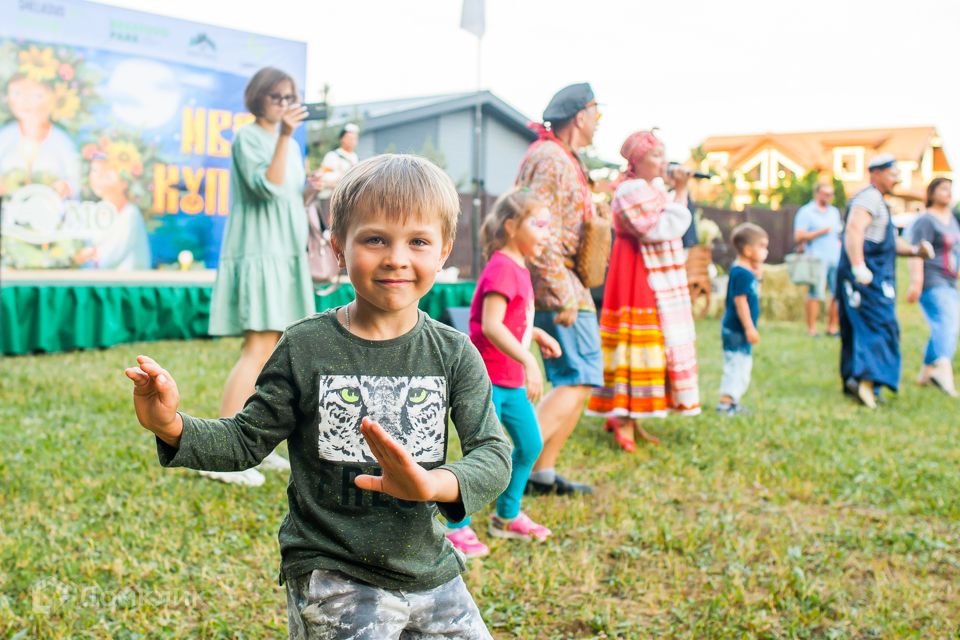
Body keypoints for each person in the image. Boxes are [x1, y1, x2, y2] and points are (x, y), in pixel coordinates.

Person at [124, 154, 511, 640]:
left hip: (430, 568)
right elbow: (246, 440)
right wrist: (170, 425)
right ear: (338, 248)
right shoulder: (306, 346)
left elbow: (493, 453)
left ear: (444, 250)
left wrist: (434, 485)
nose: (396, 257)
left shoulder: (454, 352)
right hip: (333, 569)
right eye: (375, 239)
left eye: (418, 241)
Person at [204, 67, 316, 485]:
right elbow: (265, 189)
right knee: (257, 348)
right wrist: (286, 136)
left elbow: (288, 196)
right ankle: (219, 453)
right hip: (259, 252)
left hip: (284, 251)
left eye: (291, 97)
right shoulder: (249, 137)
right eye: (276, 97)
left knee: (272, 353)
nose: (285, 104)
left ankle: (250, 442)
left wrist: (313, 189)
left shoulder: (290, 146)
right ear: (259, 98)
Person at [445, 190, 562, 558]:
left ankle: (506, 517)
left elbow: (511, 323)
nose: (546, 232)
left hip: (510, 383)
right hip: (488, 381)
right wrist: (529, 361)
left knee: (529, 445)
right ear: (511, 226)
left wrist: (535, 335)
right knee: (479, 454)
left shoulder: (519, 268)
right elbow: (492, 326)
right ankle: (456, 527)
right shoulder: (501, 267)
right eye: (538, 223)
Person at [587, 131, 701, 450]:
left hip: (649, 274)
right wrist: (681, 191)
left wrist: (676, 191)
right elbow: (660, 229)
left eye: (664, 155)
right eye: (655, 156)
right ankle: (622, 416)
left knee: (651, 341)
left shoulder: (652, 189)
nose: (663, 162)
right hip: (635, 272)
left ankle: (630, 416)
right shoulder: (629, 190)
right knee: (634, 341)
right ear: (636, 161)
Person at [515, 82, 603, 496]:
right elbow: (538, 227)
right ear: (580, 116)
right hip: (559, 281)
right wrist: (560, 292)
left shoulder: (562, 157)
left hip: (569, 280)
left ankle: (541, 475)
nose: (600, 119)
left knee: (577, 379)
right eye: (596, 110)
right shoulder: (551, 159)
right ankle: (510, 469)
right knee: (576, 377)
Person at [837, 154, 934, 409]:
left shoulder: (881, 203)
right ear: (876, 173)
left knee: (860, 326)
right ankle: (866, 381)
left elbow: (889, 243)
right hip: (866, 277)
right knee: (879, 325)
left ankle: (854, 379)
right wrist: (858, 265)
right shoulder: (868, 198)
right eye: (892, 174)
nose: (896, 179)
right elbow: (854, 230)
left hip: (872, 274)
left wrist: (915, 251)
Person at [907, 177, 959, 396]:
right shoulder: (926, 220)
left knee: (945, 324)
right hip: (932, 279)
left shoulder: (952, 219)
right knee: (947, 323)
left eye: (950, 189)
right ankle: (942, 369)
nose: (948, 193)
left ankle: (926, 372)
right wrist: (916, 282)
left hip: (950, 280)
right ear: (932, 193)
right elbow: (916, 250)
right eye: (943, 189)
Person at [716, 223, 768, 415]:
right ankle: (726, 403)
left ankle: (731, 401)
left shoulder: (745, 272)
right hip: (738, 329)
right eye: (762, 246)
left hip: (738, 329)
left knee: (741, 365)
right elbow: (740, 302)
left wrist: (759, 275)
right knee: (737, 366)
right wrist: (749, 328)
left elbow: (755, 293)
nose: (766, 251)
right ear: (747, 250)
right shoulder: (742, 273)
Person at [793, 183, 843, 337]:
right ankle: (812, 329)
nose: (828, 197)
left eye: (831, 194)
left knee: (837, 294)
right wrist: (821, 231)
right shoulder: (806, 212)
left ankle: (832, 328)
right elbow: (799, 236)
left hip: (835, 257)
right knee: (815, 294)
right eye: (825, 194)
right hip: (816, 258)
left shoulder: (834, 212)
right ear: (817, 194)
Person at [311, 123, 360, 199]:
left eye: (354, 139)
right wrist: (340, 177)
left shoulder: (355, 157)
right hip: (331, 197)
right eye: (350, 138)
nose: (352, 141)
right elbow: (322, 175)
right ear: (342, 139)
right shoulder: (332, 155)